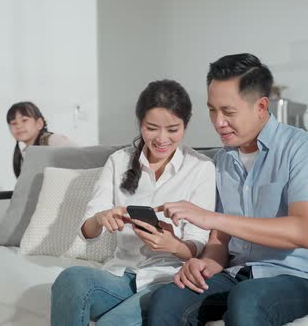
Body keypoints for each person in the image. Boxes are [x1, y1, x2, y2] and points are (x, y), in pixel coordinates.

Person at [147, 54, 308, 326]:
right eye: (212, 110)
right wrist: (205, 264)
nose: (218, 122)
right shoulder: (223, 159)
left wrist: (211, 217)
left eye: (228, 112)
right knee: (168, 299)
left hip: (305, 277)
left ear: (261, 106)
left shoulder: (303, 148)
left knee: (247, 298)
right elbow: (220, 240)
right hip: (240, 275)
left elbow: (304, 231)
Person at [50, 80, 216, 326]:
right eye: (152, 128)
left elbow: (199, 244)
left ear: (185, 126)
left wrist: (172, 245)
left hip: (168, 280)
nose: (161, 139)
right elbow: (87, 231)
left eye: (172, 129)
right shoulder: (119, 161)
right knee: (70, 279)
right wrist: (100, 218)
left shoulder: (201, 168)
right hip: (120, 275)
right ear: (140, 124)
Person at [6, 101, 76, 177]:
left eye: (24, 120)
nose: (19, 126)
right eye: (14, 123)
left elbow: (81, 159)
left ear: (39, 124)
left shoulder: (53, 140)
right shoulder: (25, 153)